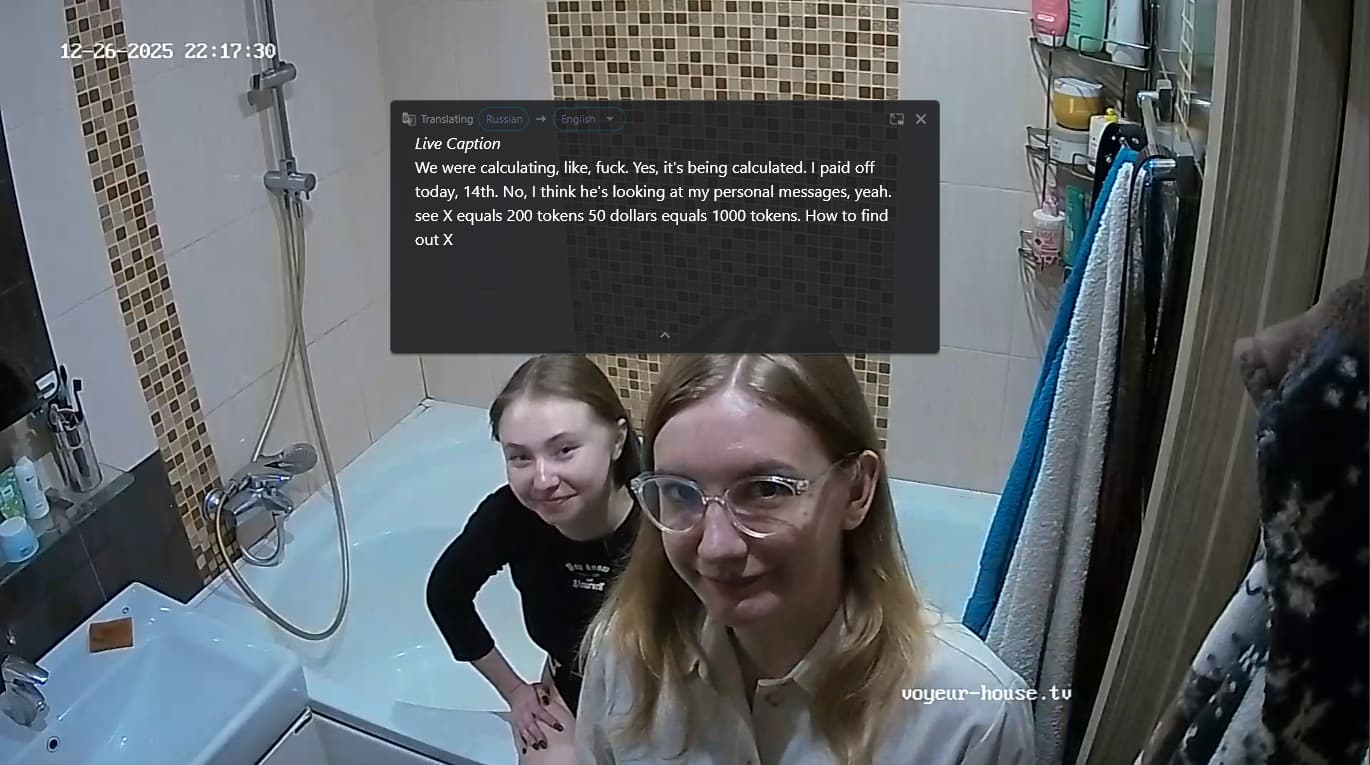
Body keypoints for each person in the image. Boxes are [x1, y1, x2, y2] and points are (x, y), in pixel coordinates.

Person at [575, 346, 1035, 764]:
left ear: (856, 490)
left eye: (765, 490)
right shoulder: (625, 654)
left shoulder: (969, 716)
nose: (716, 547)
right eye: (679, 492)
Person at [426, 354, 640, 763]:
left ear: (617, 440)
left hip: (665, 692)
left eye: (564, 450)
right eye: (520, 457)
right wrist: (514, 691)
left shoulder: (664, 513)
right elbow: (446, 594)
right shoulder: (510, 516)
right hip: (571, 687)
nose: (543, 480)